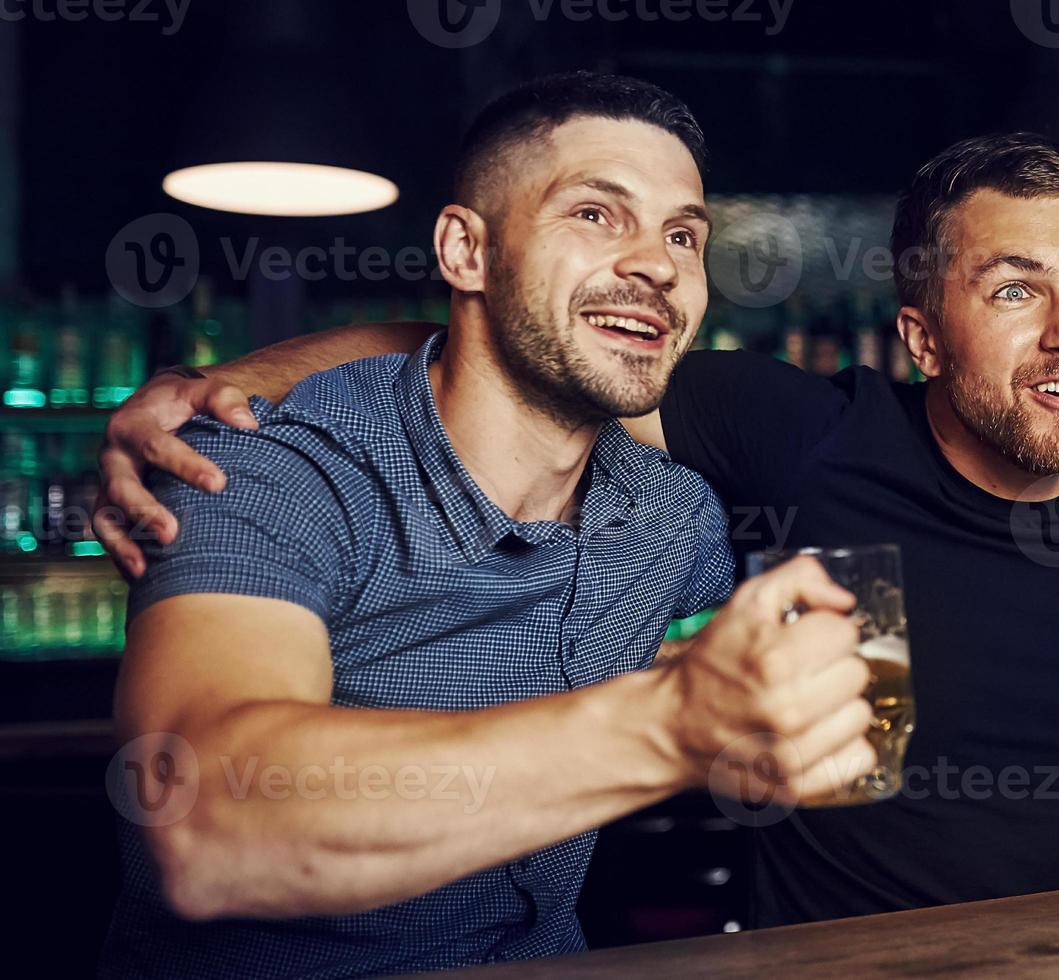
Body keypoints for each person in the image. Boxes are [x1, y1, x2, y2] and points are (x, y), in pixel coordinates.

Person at [97, 137, 1059, 925]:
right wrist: (229, 380)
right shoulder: (795, 431)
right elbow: (514, 357)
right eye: (1014, 291)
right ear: (923, 335)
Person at [97, 73, 882, 978]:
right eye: (595, 213)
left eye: (682, 236)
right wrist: (670, 721)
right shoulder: (270, 469)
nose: (659, 265)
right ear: (464, 250)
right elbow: (201, 820)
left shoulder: (669, 516)